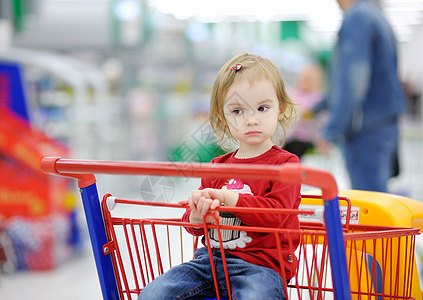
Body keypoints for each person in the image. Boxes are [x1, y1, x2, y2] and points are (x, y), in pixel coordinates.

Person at [139, 52, 301, 300]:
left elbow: (277, 215)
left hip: (261, 267)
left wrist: (229, 197)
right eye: (237, 111)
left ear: (281, 109)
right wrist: (196, 214)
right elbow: (195, 227)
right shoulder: (217, 166)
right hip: (208, 263)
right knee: (154, 294)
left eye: (262, 108)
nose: (251, 119)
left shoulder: (286, 164)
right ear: (222, 117)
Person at [314, 0, 406, 192]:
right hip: (382, 123)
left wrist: (332, 129)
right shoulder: (375, 14)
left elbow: (354, 81)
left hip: (365, 128)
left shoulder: (357, 18)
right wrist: (319, 106)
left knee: (369, 201)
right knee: (379, 195)